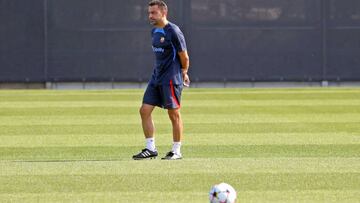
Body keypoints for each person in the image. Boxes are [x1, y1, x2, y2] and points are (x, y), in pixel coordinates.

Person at [132, 0, 190, 160]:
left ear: (163, 13)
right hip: (156, 77)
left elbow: (184, 56)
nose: (150, 16)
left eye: (153, 13)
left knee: (174, 114)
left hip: (171, 78)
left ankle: (176, 150)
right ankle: (151, 148)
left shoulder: (173, 31)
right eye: (149, 13)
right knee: (144, 110)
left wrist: (184, 72)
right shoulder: (154, 31)